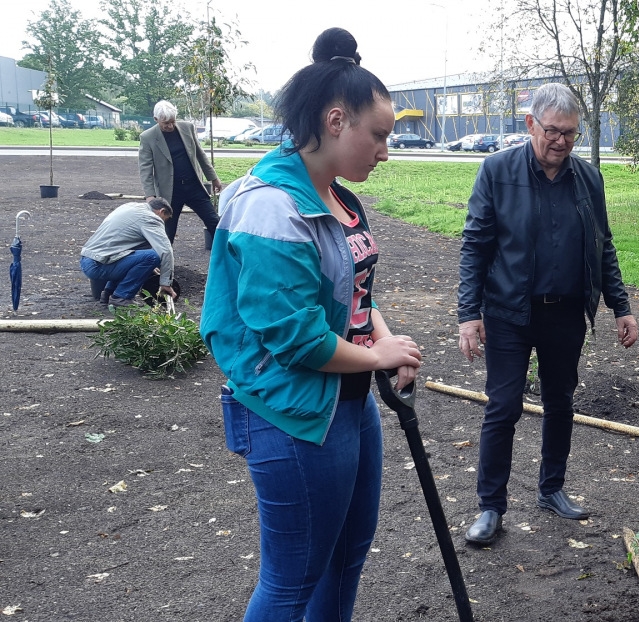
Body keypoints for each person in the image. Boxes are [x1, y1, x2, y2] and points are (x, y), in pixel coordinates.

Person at [200, 28, 422, 622]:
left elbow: (354, 291)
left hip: (346, 401)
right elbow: (294, 337)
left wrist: (381, 337)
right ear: (334, 121)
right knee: (293, 578)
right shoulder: (271, 206)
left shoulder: (338, 198)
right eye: (377, 135)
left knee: (346, 557)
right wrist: (377, 356)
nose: (384, 149)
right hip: (291, 413)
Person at [456, 82, 639, 546]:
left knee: (561, 402)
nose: (561, 141)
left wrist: (621, 306)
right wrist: (467, 314)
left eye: (571, 134)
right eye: (552, 131)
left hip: (564, 314)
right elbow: (475, 245)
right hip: (507, 312)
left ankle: (551, 488)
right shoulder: (497, 171)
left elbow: (604, 245)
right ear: (530, 124)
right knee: (503, 406)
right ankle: (490, 507)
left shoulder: (588, 178)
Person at [138, 100, 223, 245]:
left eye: (173, 121)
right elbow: (145, 168)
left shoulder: (187, 127)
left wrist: (213, 177)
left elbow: (200, 154)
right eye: (166, 123)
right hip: (170, 192)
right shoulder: (147, 137)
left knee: (214, 222)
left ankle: (226, 258)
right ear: (156, 120)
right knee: (168, 232)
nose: (170, 126)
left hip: (194, 187)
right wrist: (150, 196)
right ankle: (163, 264)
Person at [79, 197, 177, 307]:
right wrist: (165, 283)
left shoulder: (130, 207)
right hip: (98, 265)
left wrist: (143, 264)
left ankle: (109, 294)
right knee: (153, 256)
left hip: (87, 259)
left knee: (147, 257)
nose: (163, 223)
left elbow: (125, 243)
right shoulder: (151, 218)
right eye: (165, 219)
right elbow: (166, 251)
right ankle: (121, 297)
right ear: (162, 211)